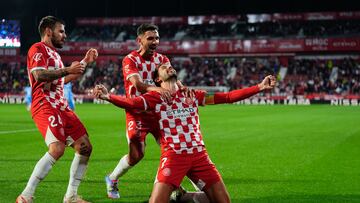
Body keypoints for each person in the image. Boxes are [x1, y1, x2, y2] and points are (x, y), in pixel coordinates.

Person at [94, 63, 276, 202]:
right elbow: (131, 103)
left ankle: (183, 198)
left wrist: (259, 87)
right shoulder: (155, 97)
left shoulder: (193, 95)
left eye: (170, 66)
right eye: (164, 67)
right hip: (174, 156)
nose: (169, 67)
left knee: (223, 201)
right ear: (158, 79)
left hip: (200, 156)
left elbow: (227, 97)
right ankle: (182, 197)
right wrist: (107, 96)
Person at [16, 16, 98, 203]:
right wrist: (67, 70)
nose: (65, 35)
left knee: (85, 146)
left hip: (61, 106)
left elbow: (62, 79)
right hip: (45, 104)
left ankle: (70, 196)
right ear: (48, 31)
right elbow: (39, 75)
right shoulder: (38, 49)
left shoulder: (56, 56)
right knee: (57, 147)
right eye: (61, 31)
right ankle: (26, 196)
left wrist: (85, 61)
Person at [104, 23, 191, 199]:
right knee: (137, 155)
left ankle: (171, 185)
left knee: (176, 149)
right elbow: (138, 84)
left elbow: (173, 81)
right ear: (140, 40)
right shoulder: (130, 59)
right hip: (136, 112)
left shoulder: (163, 59)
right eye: (150, 38)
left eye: (157, 38)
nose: (155, 41)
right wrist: (160, 90)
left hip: (160, 113)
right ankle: (112, 178)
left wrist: (183, 89)